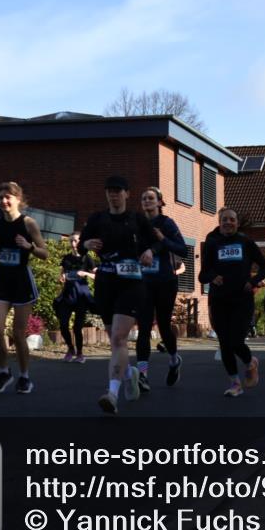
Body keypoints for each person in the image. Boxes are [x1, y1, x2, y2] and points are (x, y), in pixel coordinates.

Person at [81, 175, 161, 414]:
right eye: (109, 191)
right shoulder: (98, 218)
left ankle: (112, 394)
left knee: (118, 339)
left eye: (117, 191)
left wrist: (148, 250)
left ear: (127, 194)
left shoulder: (137, 219)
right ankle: (130, 373)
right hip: (106, 282)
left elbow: (157, 243)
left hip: (131, 283)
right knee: (115, 341)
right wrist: (85, 245)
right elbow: (81, 242)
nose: (113, 195)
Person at [0, 182, 49, 394]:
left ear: (18, 200)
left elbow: (45, 253)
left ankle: (24, 377)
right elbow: (0, 250)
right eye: (0, 198)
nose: (4, 201)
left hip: (22, 281)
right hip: (2, 280)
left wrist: (29, 246)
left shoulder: (29, 223)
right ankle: (5, 372)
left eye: (8, 197)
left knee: (18, 332)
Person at [199, 207, 265, 396]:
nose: (228, 222)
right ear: (219, 222)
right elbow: (202, 275)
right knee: (224, 343)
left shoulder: (245, 242)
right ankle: (235, 384)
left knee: (236, 340)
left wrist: (252, 282)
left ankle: (250, 362)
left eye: (232, 219)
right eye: (225, 220)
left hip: (242, 300)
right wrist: (213, 277)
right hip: (219, 300)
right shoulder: (213, 244)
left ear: (237, 223)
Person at [135, 186, 187, 392]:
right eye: (143, 198)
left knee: (164, 326)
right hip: (143, 281)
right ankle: (142, 374)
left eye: (151, 198)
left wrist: (162, 239)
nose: (147, 201)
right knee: (144, 327)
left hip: (165, 281)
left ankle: (174, 360)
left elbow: (183, 249)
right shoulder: (138, 225)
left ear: (159, 202)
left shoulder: (167, 223)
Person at [54, 231, 95, 363]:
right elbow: (61, 275)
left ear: (81, 242)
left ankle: (80, 353)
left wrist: (86, 273)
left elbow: (98, 276)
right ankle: (70, 349)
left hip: (81, 296)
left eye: (76, 240)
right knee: (63, 325)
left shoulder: (87, 258)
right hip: (67, 295)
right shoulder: (66, 258)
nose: (73, 243)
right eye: (71, 241)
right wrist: (62, 278)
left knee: (77, 327)